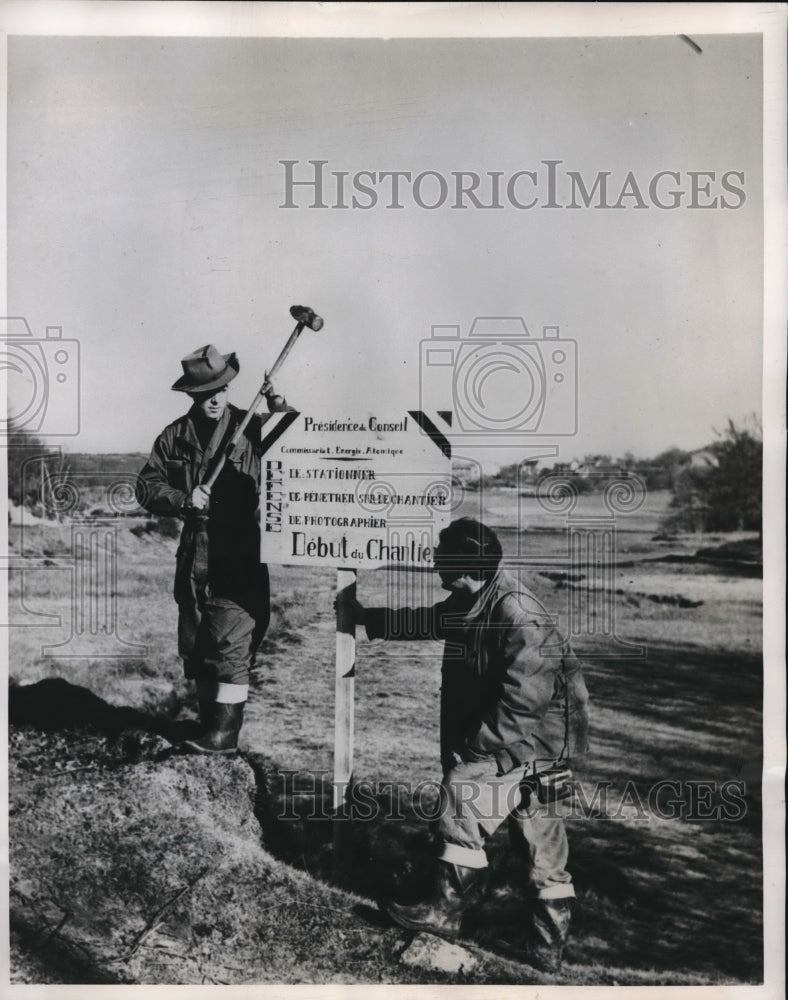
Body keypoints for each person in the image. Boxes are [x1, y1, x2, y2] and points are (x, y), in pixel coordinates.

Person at [338, 516, 590, 972]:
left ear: (466, 565)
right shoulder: (475, 598)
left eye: (442, 556)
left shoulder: (518, 615)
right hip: (527, 739)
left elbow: (523, 702)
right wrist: (369, 619)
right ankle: (545, 956)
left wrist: (476, 749)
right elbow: (432, 620)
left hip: (537, 743)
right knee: (539, 842)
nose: (434, 561)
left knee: (464, 792)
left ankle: (445, 911)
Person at [136, 344, 291, 754]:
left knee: (230, 638)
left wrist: (278, 408)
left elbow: (294, 445)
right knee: (201, 639)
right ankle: (209, 726)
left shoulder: (248, 425)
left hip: (238, 548)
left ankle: (224, 735)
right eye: (206, 393)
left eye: (222, 390)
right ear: (192, 395)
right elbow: (147, 487)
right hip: (195, 550)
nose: (216, 399)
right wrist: (185, 500)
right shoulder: (174, 436)